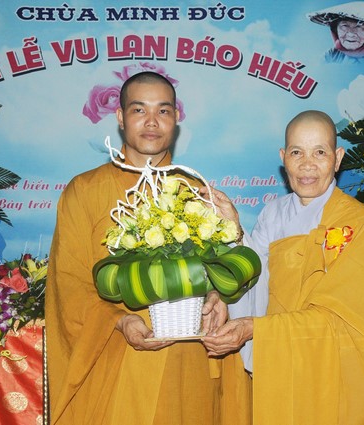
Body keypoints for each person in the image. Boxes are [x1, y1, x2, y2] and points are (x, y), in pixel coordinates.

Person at [45, 71, 251, 425]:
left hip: (188, 362)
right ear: (120, 117)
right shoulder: (85, 190)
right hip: (118, 360)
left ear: (176, 118)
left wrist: (217, 295)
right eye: (139, 110)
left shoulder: (194, 190)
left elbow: (227, 271)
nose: (152, 122)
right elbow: (69, 283)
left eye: (163, 111)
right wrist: (119, 320)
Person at [202, 110, 364, 424]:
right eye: (297, 153)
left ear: (337, 158)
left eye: (319, 152)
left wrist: (256, 329)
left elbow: (347, 321)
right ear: (283, 159)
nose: (307, 164)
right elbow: (253, 276)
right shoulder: (273, 214)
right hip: (281, 363)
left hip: (335, 376)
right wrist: (233, 232)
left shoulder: (360, 224)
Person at [307, 1, 364, 65]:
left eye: (359, 27)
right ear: (335, 30)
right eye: (344, 26)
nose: (350, 34)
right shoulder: (333, 53)